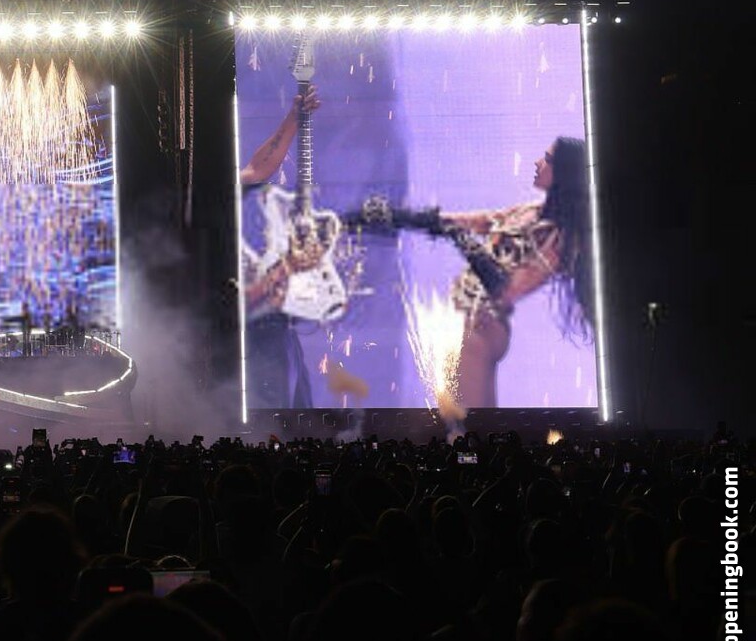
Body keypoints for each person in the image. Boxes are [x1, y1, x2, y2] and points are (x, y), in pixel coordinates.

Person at [363, 137, 596, 409]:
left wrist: (463, 241)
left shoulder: (557, 240)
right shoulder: (528, 212)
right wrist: (402, 218)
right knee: (461, 418)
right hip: (468, 320)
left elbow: (506, 289)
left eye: (548, 160)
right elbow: (471, 221)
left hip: (482, 327)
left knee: (468, 423)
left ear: (563, 174)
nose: (538, 163)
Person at [238, 85, 320, 409]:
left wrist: (293, 119)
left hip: (274, 327)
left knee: (298, 411)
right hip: (250, 335)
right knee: (272, 414)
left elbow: (258, 169)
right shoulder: (196, 216)